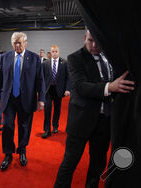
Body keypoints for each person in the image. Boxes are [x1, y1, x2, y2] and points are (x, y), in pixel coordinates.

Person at [54, 29, 135, 188]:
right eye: (90, 40)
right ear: (85, 38)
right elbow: (80, 86)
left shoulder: (111, 58)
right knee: (69, 164)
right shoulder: (74, 58)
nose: (94, 44)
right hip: (80, 122)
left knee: (97, 166)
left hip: (104, 123)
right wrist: (110, 87)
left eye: (98, 40)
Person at [0, 32, 45, 171]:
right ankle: (8, 153)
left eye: (20, 42)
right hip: (9, 98)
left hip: (26, 98)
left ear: (25, 43)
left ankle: (22, 150)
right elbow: (0, 78)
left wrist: (41, 99)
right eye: (15, 43)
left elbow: (40, 80)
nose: (17, 45)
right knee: (7, 126)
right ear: (12, 43)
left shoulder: (34, 58)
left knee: (24, 127)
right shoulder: (5, 57)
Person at [41, 44, 70, 138]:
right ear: (50, 52)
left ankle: (55, 126)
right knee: (47, 109)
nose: (54, 53)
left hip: (59, 90)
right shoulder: (45, 63)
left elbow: (68, 77)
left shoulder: (64, 63)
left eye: (56, 51)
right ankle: (47, 129)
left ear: (59, 52)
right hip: (48, 90)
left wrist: (67, 89)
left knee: (57, 109)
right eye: (53, 52)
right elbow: (42, 78)